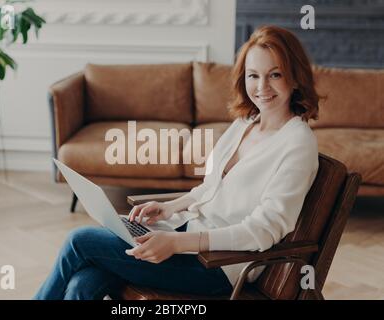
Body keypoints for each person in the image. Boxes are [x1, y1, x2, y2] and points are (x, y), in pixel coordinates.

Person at [34, 25, 320, 300]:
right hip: (186, 233)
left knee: (79, 241)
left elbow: (263, 230)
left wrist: (176, 244)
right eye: (253, 75)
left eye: (275, 75)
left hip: (218, 267)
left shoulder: (297, 144)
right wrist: (170, 207)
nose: (262, 87)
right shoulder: (246, 123)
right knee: (84, 283)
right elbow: (211, 188)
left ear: (295, 78)